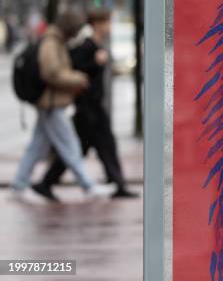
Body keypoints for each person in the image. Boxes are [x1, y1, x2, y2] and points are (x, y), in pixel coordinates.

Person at [36, 10, 138, 199]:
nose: (109, 27)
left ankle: (116, 183)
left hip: (93, 106)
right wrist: (95, 63)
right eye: (106, 23)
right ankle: (48, 182)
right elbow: (72, 69)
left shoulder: (96, 46)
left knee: (95, 146)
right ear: (97, 24)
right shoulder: (87, 46)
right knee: (85, 147)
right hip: (88, 107)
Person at [11, 10, 111, 201]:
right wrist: (77, 79)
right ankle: (87, 185)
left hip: (50, 103)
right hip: (51, 104)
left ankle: (19, 184)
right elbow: (51, 73)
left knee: (36, 147)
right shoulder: (51, 43)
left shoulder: (54, 41)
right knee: (70, 144)